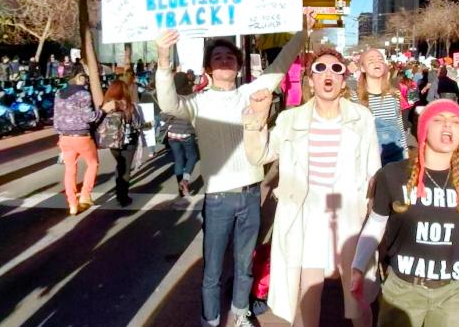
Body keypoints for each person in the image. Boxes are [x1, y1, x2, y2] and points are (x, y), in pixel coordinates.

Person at [155, 24, 306, 327]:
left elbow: (281, 64)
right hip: (218, 198)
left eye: (230, 57)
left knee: (244, 264)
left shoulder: (251, 93)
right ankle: (210, 320)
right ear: (208, 68)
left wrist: (303, 31)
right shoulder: (197, 103)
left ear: (237, 66)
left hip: (250, 193)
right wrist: (163, 57)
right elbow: (168, 102)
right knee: (212, 268)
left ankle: (240, 314)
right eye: (218, 57)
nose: (225, 61)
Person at [243, 49, 380, 327]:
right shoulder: (290, 120)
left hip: (349, 215)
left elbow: (373, 170)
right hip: (305, 215)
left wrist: (374, 217)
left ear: (343, 81)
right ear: (310, 80)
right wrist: (257, 118)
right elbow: (259, 155)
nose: (328, 74)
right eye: (320, 68)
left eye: (336, 69)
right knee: (309, 288)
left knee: (358, 293)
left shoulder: (362, 117)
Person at [350, 99, 459, 327]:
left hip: (453, 293)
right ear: (424, 129)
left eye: (455, 121)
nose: (448, 126)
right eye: (439, 120)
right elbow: (376, 223)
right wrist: (358, 268)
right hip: (404, 291)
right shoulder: (393, 175)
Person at [53, 70, 115, 215]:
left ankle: (72, 204)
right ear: (78, 77)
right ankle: (85, 195)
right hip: (82, 136)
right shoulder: (83, 94)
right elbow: (90, 117)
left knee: (69, 170)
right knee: (93, 164)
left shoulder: (58, 93)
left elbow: (56, 116)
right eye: (85, 77)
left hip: (64, 137)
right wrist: (104, 110)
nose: (86, 80)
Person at [352, 49, 407, 166]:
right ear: (362, 68)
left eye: (380, 59)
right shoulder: (354, 99)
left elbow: (400, 130)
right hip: (366, 162)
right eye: (371, 60)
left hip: (394, 162)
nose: (377, 62)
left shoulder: (394, 96)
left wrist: (405, 157)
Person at [100, 80, 146, 206]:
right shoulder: (130, 106)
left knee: (120, 165)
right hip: (129, 142)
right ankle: (122, 196)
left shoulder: (107, 105)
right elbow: (138, 124)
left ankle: (119, 192)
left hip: (113, 141)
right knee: (125, 169)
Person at [160, 72, 198, 197]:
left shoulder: (171, 98)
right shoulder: (191, 96)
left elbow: (164, 116)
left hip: (172, 134)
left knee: (178, 159)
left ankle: (180, 188)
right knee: (192, 157)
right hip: (186, 132)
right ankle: (185, 181)